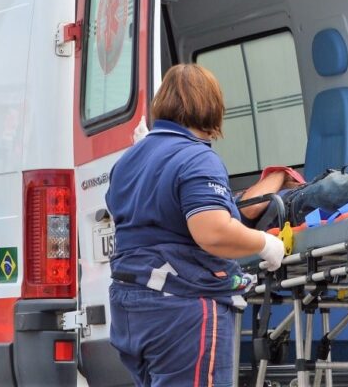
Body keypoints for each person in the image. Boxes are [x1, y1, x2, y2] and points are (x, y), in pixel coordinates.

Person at [105, 64, 286, 387]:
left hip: (129, 308)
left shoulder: (128, 160)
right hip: (180, 309)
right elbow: (212, 231)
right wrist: (264, 244)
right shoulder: (196, 158)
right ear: (212, 106)